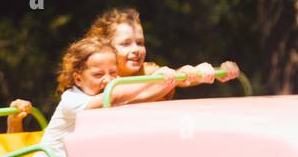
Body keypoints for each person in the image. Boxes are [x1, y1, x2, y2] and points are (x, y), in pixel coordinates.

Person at [23, 37, 176, 157]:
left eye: (113, 73)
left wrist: (169, 80)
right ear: (78, 79)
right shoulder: (72, 99)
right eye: (98, 75)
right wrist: (154, 78)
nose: (108, 80)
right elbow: (115, 95)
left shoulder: (107, 101)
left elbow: (143, 97)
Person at [87, 7, 239, 101]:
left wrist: (211, 72)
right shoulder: (98, 79)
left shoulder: (147, 70)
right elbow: (124, 96)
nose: (136, 49)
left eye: (140, 43)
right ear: (105, 48)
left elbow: (175, 77)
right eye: (126, 44)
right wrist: (171, 78)